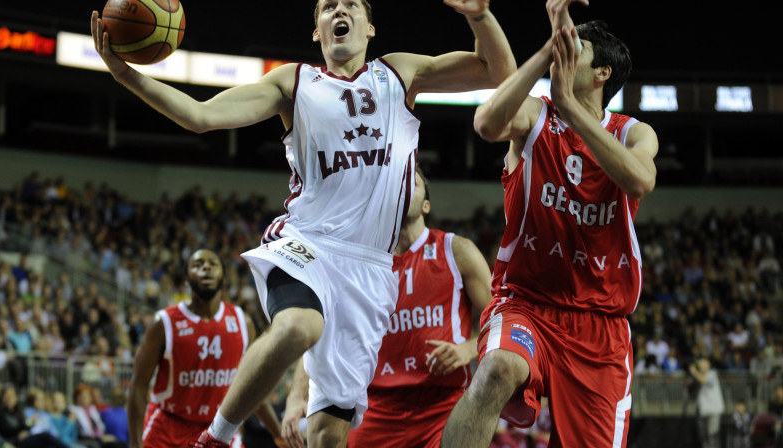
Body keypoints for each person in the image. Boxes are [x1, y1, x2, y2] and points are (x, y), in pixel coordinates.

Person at [91, 0, 515, 447]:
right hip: (306, 242)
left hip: (369, 269)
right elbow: (200, 116)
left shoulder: (398, 73)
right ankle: (215, 438)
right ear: (317, 31)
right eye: (328, 6)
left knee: (330, 435)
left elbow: (496, 71)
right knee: (299, 326)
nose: (339, 10)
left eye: (350, 4)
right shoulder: (294, 82)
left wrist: (479, 16)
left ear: (370, 27)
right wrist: (125, 75)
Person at [440, 0, 659, 446]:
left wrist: (571, 107)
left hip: (600, 324)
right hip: (527, 302)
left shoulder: (633, 132)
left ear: (602, 74)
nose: (563, 53)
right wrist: (545, 51)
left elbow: (639, 180)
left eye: (573, 49)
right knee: (498, 367)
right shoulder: (536, 115)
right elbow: (485, 122)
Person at [280, 167, 494, 448]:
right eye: (397, 184)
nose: (404, 188)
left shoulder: (457, 250)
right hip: (374, 406)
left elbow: (502, 320)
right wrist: (298, 396)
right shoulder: (359, 259)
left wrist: (467, 350)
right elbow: (321, 331)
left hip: (443, 404)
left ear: (426, 205)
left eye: (413, 184)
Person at [125, 249, 285, 447]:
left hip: (220, 428)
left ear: (222, 276)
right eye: (198, 265)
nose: (206, 267)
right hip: (168, 427)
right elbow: (138, 385)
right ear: (186, 278)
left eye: (212, 264)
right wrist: (134, 444)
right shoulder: (163, 322)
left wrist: (278, 433)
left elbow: (252, 385)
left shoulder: (243, 322)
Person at [689, 357, 725, 448]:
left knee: (712, 435)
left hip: (713, 410)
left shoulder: (712, 373)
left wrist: (694, 372)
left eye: (703, 363)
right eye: (700, 364)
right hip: (703, 411)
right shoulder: (699, 376)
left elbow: (706, 381)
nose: (701, 365)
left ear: (708, 364)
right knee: (703, 437)